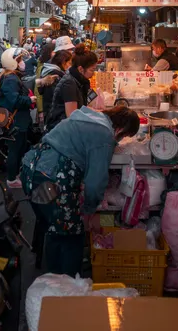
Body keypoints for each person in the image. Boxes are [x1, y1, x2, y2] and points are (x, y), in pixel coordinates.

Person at [20, 105, 139, 275]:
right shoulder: (104, 134)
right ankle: (68, 286)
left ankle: (52, 281)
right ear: (121, 129)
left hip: (31, 170)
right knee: (71, 236)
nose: (119, 141)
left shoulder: (87, 116)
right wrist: (88, 210)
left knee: (54, 228)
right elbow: (96, 181)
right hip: (52, 178)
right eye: (124, 136)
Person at [0, 47, 33, 188]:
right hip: (16, 122)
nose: (22, 62)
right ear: (12, 62)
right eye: (20, 60)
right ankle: (11, 179)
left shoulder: (12, 77)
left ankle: (15, 175)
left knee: (19, 148)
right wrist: (30, 100)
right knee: (15, 150)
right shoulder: (11, 79)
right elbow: (15, 100)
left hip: (19, 121)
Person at [46, 46, 99, 130]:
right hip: (60, 132)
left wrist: (98, 113)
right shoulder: (69, 83)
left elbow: (80, 107)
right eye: (92, 70)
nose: (93, 74)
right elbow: (72, 116)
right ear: (81, 69)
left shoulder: (78, 81)